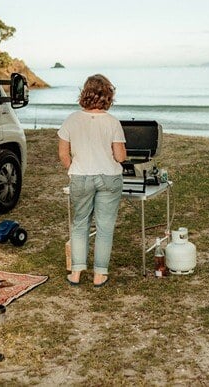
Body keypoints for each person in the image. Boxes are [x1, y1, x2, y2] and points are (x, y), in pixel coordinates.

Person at [58, 74, 127, 287]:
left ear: (84, 93)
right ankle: (99, 275)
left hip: (81, 177)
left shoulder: (71, 119)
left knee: (80, 225)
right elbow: (120, 157)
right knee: (105, 227)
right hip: (109, 177)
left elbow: (63, 154)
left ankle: (76, 273)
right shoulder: (113, 122)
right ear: (108, 96)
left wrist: (75, 169)